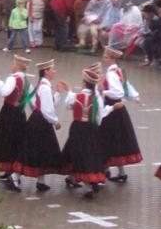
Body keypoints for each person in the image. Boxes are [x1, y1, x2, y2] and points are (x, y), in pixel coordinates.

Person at [60, 67, 119, 199]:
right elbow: (99, 116)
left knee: (76, 152)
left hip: (77, 128)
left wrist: (69, 90)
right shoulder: (95, 99)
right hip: (91, 129)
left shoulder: (77, 96)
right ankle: (79, 180)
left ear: (84, 83)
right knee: (89, 154)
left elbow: (68, 105)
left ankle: (82, 183)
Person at [15, 59, 64, 193]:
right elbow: (47, 109)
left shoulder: (42, 85)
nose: (54, 71)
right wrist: (56, 122)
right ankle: (15, 177)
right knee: (33, 150)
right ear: (46, 71)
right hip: (41, 122)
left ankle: (40, 180)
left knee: (41, 150)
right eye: (52, 69)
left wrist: (58, 93)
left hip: (38, 121)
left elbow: (41, 103)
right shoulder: (45, 87)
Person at [98, 47, 143, 183]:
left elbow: (118, 92)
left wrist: (102, 91)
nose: (103, 59)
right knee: (118, 139)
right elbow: (127, 86)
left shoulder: (111, 73)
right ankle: (120, 172)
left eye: (105, 57)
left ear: (112, 59)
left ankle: (105, 169)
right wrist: (136, 97)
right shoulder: (119, 70)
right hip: (119, 109)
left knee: (108, 139)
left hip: (112, 107)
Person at [0, 54, 32, 191]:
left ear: (17, 66)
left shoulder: (12, 78)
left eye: (13, 64)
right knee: (16, 140)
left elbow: (4, 92)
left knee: (6, 139)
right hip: (20, 112)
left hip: (8, 112)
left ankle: (10, 171)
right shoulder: (26, 81)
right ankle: (11, 170)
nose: (12, 66)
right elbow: (30, 100)